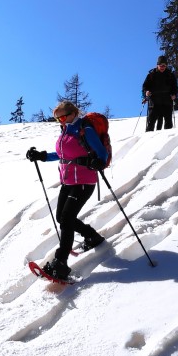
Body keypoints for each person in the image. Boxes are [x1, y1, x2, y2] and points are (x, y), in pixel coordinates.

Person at [25, 101, 108, 281]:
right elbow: (63, 154)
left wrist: (99, 162)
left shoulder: (84, 129)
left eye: (62, 117)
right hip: (68, 181)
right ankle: (92, 236)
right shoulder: (66, 130)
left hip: (84, 181)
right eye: (57, 119)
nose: (60, 121)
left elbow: (102, 153)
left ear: (73, 113)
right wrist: (42, 156)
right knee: (61, 217)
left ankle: (60, 263)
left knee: (67, 219)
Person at [142, 55, 178, 131]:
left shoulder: (170, 75)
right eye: (161, 65)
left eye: (164, 65)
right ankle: (147, 139)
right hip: (154, 102)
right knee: (151, 122)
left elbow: (175, 88)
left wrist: (174, 95)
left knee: (168, 122)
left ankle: (168, 139)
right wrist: (146, 92)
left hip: (167, 101)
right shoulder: (151, 75)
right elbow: (145, 86)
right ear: (157, 65)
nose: (162, 67)